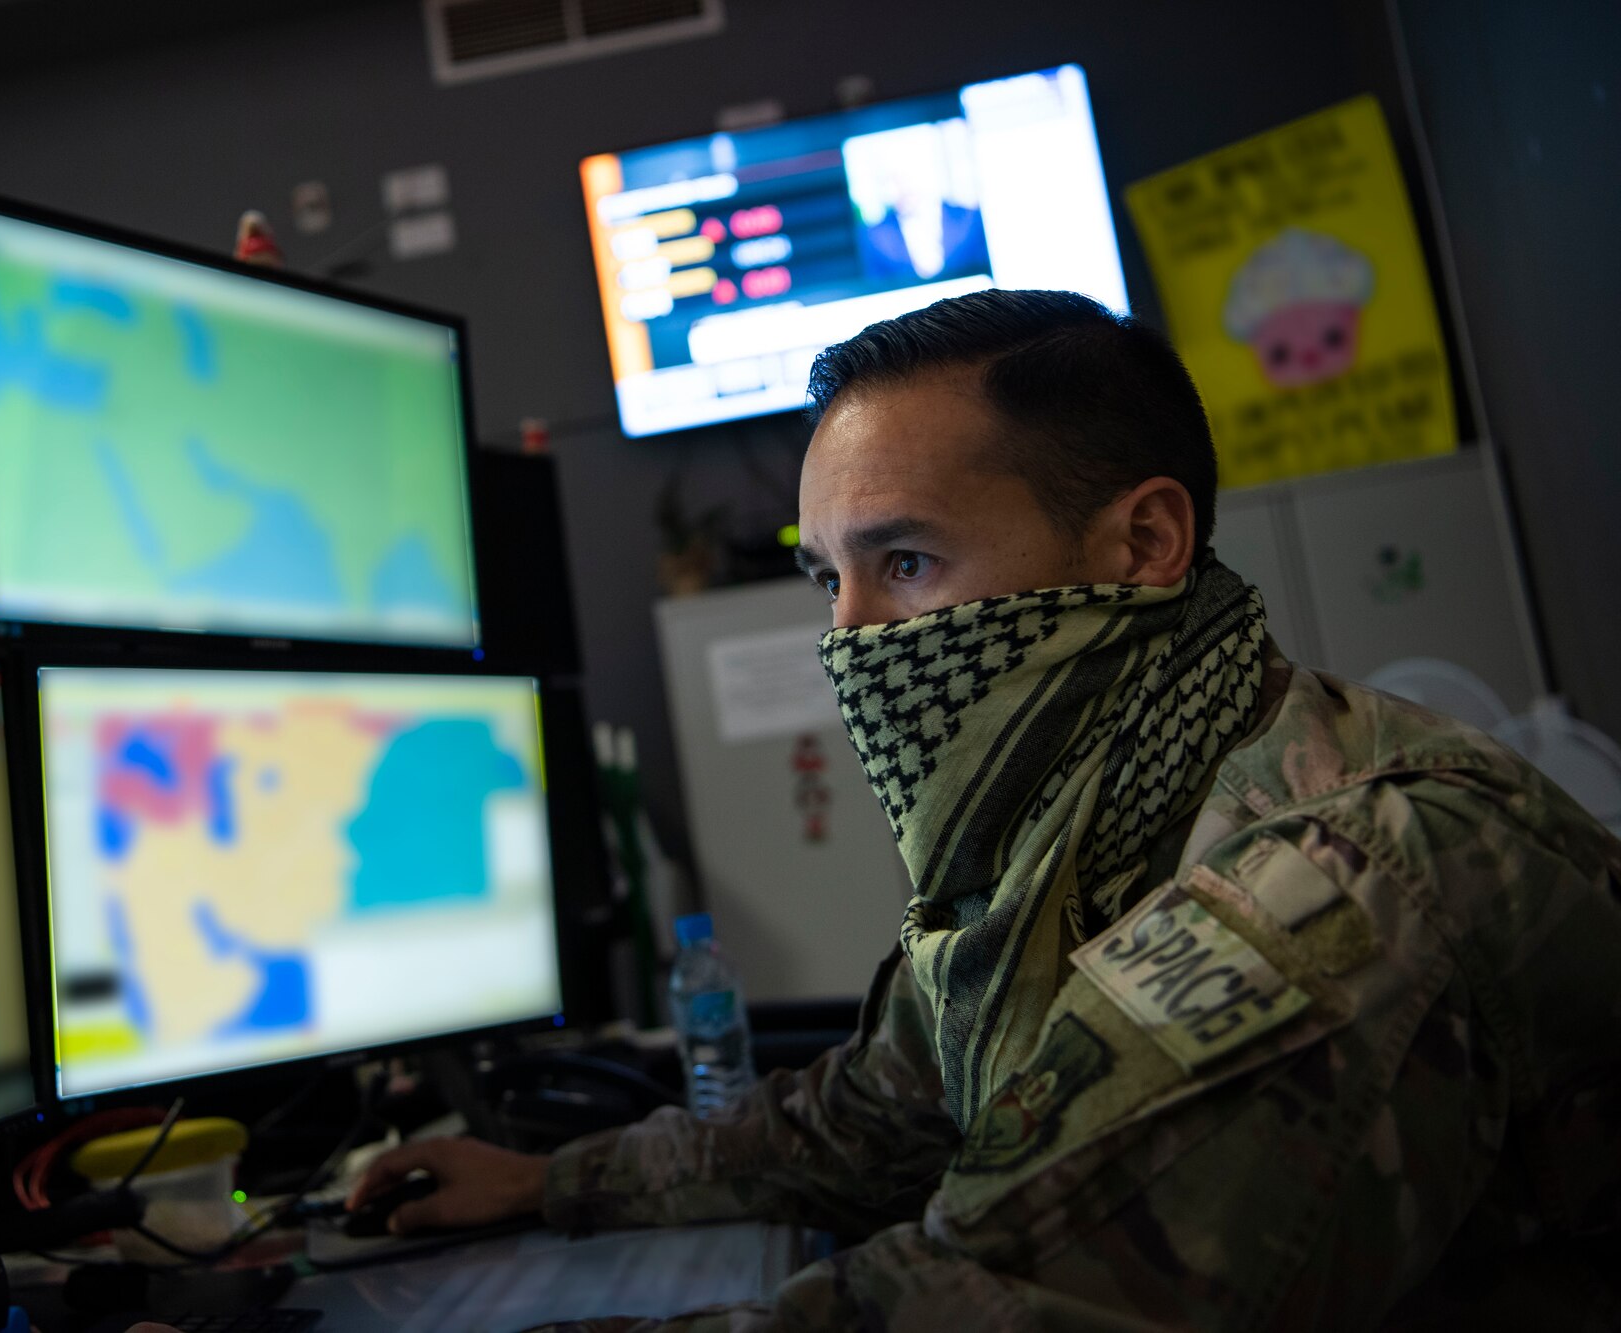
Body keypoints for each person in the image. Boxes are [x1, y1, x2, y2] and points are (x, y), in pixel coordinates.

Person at [342, 290, 1621, 1330]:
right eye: (822, 577)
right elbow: (869, 1118)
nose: (845, 638)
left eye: (903, 563)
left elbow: (990, 1299)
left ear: (1142, 544)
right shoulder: (1064, 841)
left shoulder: (1348, 876)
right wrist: (550, 1179)